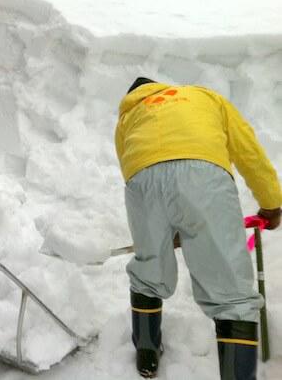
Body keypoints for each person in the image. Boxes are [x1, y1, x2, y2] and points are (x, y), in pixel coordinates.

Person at [114, 77, 281, 379]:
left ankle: (147, 352)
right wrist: (271, 203)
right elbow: (248, 151)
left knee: (149, 266)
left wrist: (165, 224)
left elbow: (129, 165)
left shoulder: (129, 115)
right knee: (231, 293)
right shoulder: (204, 97)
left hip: (143, 183)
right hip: (204, 177)